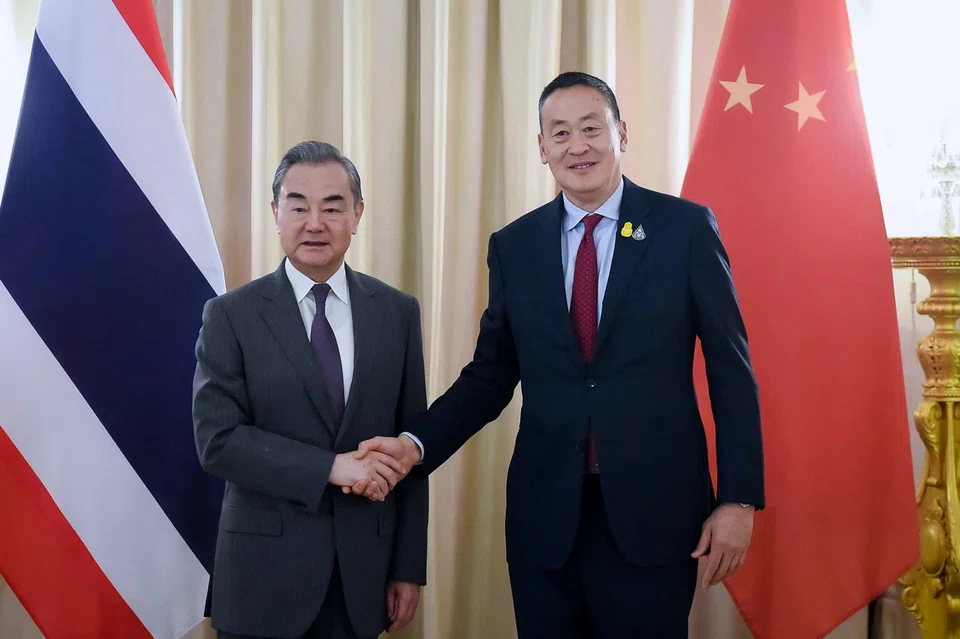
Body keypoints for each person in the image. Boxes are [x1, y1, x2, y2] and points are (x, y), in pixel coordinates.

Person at [353, 71, 765, 638]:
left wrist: (738, 500)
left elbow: (730, 370)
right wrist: (414, 444)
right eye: (561, 133)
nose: (579, 146)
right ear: (542, 149)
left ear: (621, 134)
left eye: (592, 128)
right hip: (546, 520)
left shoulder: (684, 229)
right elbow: (491, 377)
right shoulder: (515, 246)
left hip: (655, 514)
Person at [192, 141, 429, 639]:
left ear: (357, 215)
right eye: (298, 206)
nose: (314, 222)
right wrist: (331, 466)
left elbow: (411, 445)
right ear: (276, 213)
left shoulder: (396, 312)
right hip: (261, 579)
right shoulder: (231, 315)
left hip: (362, 578)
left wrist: (408, 566)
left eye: (333, 206)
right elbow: (218, 442)